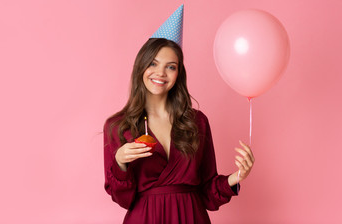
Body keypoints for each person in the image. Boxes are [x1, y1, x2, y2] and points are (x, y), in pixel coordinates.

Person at [103, 38, 255, 223]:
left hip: (191, 217)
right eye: (153, 63)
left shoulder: (196, 122)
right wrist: (120, 162)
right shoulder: (118, 126)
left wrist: (237, 176)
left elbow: (207, 193)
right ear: (140, 67)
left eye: (171, 67)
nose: (161, 73)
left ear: (179, 73)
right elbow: (123, 199)